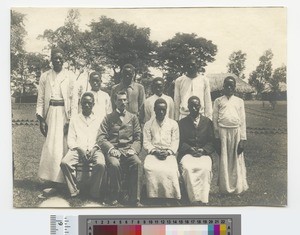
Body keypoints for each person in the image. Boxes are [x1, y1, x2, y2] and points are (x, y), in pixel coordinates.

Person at [36, 47, 78, 197]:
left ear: (64, 59)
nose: (58, 60)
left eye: (60, 58)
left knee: (64, 146)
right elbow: (40, 99)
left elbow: (74, 100)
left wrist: (70, 119)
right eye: (55, 58)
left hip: (64, 114)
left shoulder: (70, 76)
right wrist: (41, 119)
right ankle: (52, 181)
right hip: (51, 113)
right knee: (52, 147)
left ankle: (64, 181)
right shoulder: (45, 76)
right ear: (51, 60)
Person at [96, 91, 142, 206]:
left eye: (124, 100)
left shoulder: (133, 117)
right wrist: (111, 149)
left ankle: (135, 199)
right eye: (119, 100)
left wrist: (133, 149)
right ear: (115, 102)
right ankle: (114, 196)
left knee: (137, 162)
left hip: (128, 150)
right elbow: (101, 138)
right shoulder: (108, 118)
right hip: (114, 151)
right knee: (115, 164)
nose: (122, 102)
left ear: (127, 101)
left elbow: (138, 138)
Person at [60, 92, 106, 200]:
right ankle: (74, 190)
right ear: (80, 103)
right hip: (77, 149)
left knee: (101, 164)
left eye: (89, 103)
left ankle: (94, 192)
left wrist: (94, 149)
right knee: (64, 163)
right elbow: (70, 138)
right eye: (84, 103)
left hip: (95, 149)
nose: (86, 105)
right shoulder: (75, 119)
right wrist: (79, 149)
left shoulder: (99, 119)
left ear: (93, 104)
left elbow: (101, 138)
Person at [213, 76, 249, 194]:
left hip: (236, 132)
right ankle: (224, 187)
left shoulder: (239, 101)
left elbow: (242, 121)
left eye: (231, 85)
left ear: (234, 87)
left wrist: (242, 139)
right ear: (223, 87)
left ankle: (237, 187)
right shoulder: (218, 101)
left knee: (236, 159)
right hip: (222, 132)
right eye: (227, 85)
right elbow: (215, 120)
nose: (229, 88)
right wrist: (217, 137)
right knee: (224, 160)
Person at [178, 96, 215, 205]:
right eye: (191, 106)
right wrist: (189, 149)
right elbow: (179, 142)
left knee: (205, 169)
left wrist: (203, 150)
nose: (194, 108)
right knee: (189, 169)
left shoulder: (207, 122)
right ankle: (192, 198)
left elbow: (211, 142)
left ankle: (203, 198)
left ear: (200, 107)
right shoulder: (182, 123)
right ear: (188, 107)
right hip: (187, 154)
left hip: (203, 154)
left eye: (196, 106)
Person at [143, 98, 181, 204]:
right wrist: (155, 151)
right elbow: (146, 142)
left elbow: (175, 142)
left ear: (166, 110)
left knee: (171, 170)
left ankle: (171, 196)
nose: (161, 112)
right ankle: (154, 196)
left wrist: (168, 152)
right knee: (150, 168)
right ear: (154, 110)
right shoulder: (148, 124)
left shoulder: (173, 124)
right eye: (158, 109)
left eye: (163, 110)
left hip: (168, 154)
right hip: (154, 153)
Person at [174, 55, 212, 121]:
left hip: (200, 116)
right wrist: (176, 119)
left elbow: (208, 102)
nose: (190, 67)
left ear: (198, 66)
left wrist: (209, 119)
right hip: (184, 116)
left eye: (193, 65)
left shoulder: (204, 80)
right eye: (188, 65)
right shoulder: (179, 81)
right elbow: (176, 102)